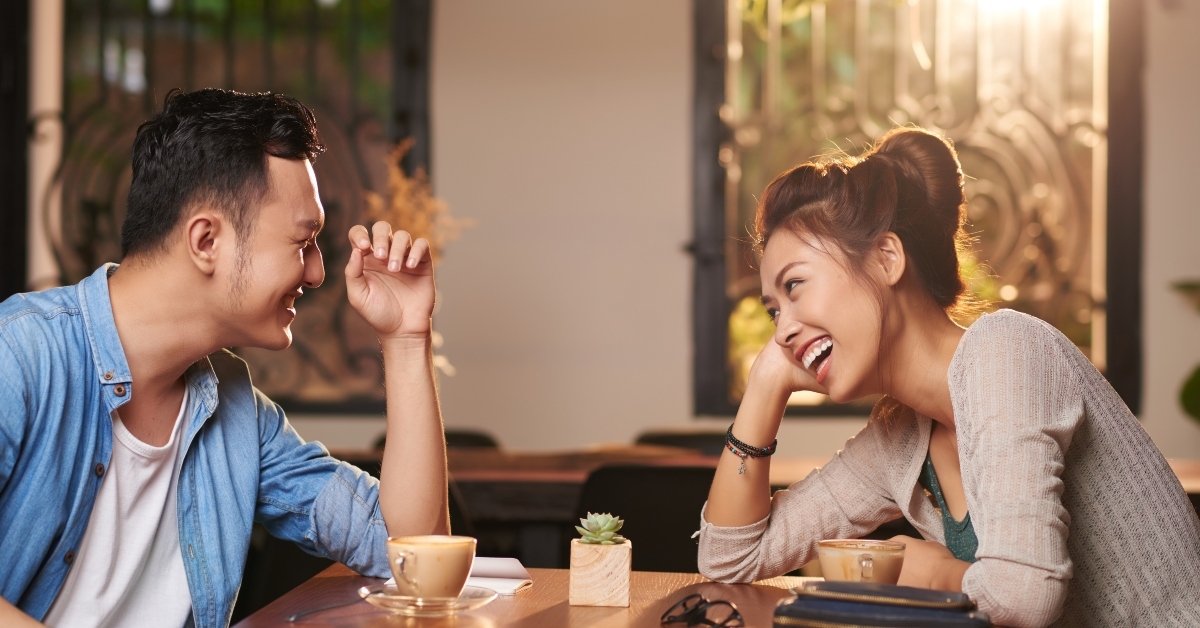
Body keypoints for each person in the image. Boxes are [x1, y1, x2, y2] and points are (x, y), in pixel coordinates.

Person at [697, 127, 1200, 627]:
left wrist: (935, 573)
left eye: (795, 286)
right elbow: (730, 561)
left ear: (886, 258)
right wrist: (766, 384)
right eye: (772, 311)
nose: (781, 331)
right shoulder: (898, 437)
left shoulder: (1006, 351)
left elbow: (1024, 595)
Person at [0, 89, 449, 628]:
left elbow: (409, 551)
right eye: (303, 242)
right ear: (207, 239)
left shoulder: (236, 411)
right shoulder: (20, 356)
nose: (317, 273)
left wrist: (405, 338)